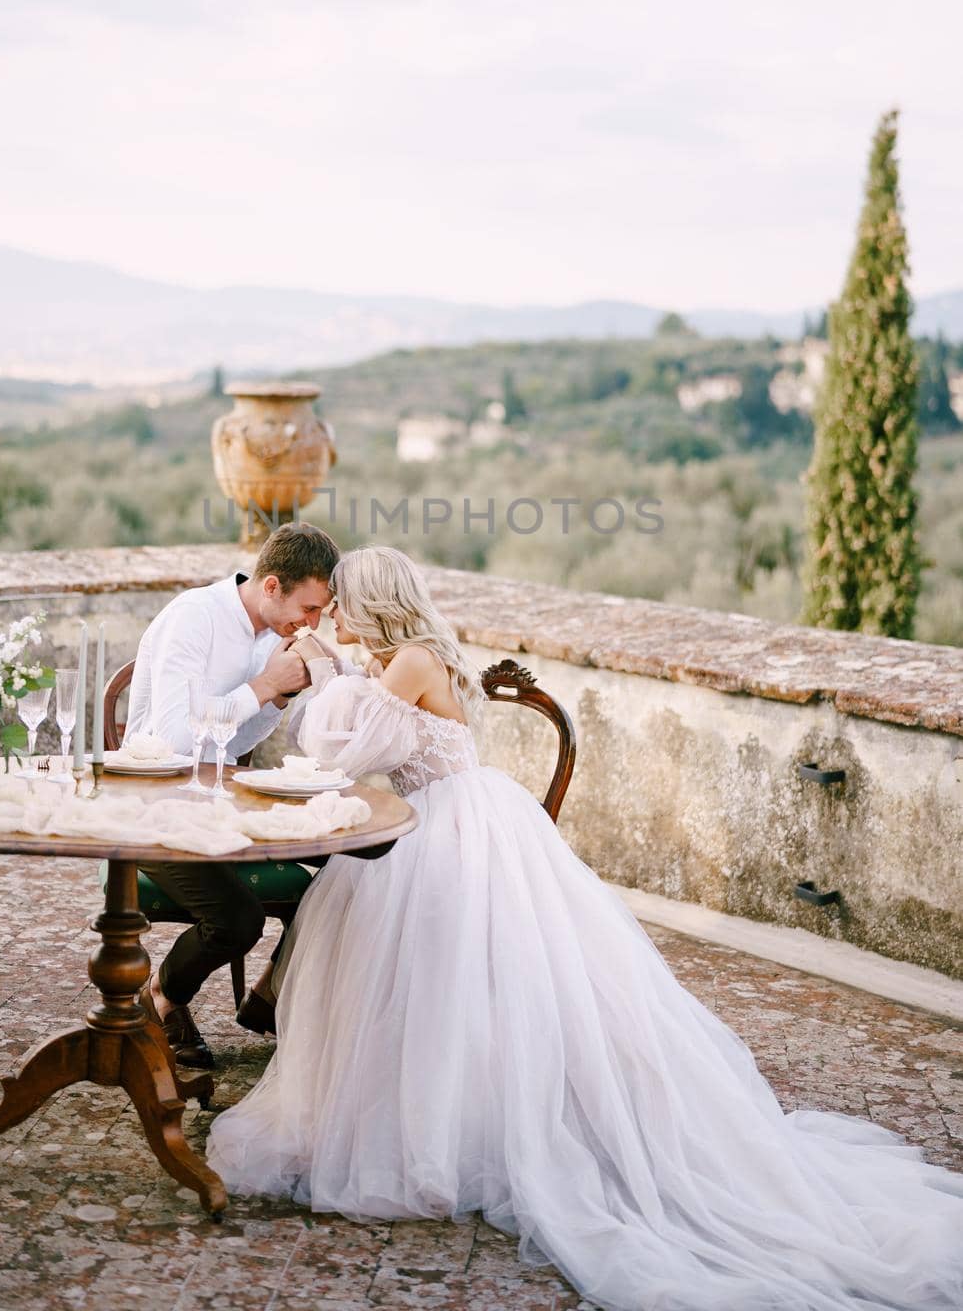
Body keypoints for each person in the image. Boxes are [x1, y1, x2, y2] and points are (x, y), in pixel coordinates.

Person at [207, 546, 963, 1311]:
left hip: (456, 824)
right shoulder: (397, 660)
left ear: (369, 603)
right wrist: (342, 670)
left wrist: (331, 669)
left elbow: (344, 750)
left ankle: (462, 1120)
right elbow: (357, 750)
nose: (331, 614)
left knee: (434, 957)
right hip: (431, 818)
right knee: (387, 942)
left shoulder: (407, 660)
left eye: (340, 603)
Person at [126, 522, 342, 1069]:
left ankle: (272, 998)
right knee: (238, 919)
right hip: (151, 807)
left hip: (218, 805)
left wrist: (275, 699)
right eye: (309, 608)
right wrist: (265, 687)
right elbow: (175, 740)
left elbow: (236, 740)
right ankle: (160, 999)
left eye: (320, 612)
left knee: (348, 860)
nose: (313, 623)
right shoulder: (194, 617)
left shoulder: (270, 635)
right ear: (271, 586)